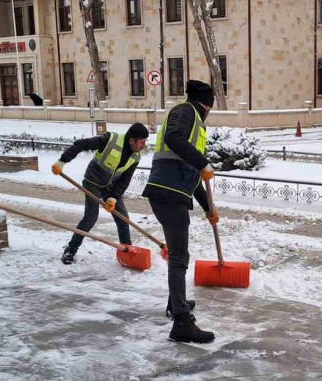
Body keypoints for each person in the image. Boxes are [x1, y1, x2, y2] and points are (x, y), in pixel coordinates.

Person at [143, 80, 218, 344]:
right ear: (206, 105)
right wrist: (202, 161)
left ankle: (177, 303)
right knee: (179, 257)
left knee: (178, 255)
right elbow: (173, 139)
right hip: (167, 192)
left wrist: (209, 209)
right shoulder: (186, 112)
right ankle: (181, 322)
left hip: (172, 192)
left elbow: (193, 174)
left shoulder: (194, 120)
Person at [51, 123, 149, 264]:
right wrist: (62, 161)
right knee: (91, 217)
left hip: (111, 188)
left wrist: (114, 197)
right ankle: (70, 250)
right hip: (93, 183)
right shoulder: (110, 140)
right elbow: (81, 144)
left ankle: (127, 253)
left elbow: (125, 180)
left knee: (123, 219)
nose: (143, 146)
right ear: (132, 140)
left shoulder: (136, 156)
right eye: (142, 142)